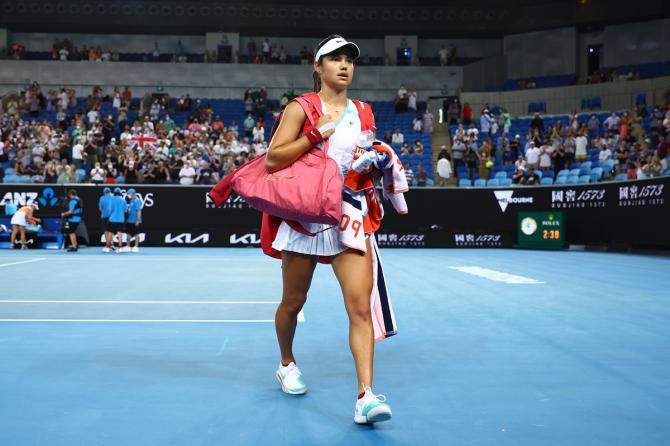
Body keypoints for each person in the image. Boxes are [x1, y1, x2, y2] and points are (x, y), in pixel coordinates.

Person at [262, 35, 393, 425]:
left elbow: (359, 158)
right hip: (305, 214)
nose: (344, 65)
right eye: (334, 59)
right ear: (317, 67)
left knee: (359, 307)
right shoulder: (302, 107)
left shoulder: (364, 111)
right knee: (293, 302)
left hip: (348, 212)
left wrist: (376, 162)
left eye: (349, 60)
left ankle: (365, 396)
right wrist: (316, 133)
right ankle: (286, 363)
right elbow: (273, 159)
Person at [108, 187, 127, 253]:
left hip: (112, 219)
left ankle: (109, 246)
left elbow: (110, 210)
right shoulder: (123, 200)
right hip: (120, 219)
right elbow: (125, 210)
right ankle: (120, 248)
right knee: (120, 234)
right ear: (120, 193)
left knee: (111, 233)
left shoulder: (111, 199)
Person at [124, 188, 143, 253]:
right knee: (128, 233)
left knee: (136, 233)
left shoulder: (137, 201)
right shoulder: (128, 201)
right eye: (128, 194)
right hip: (129, 220)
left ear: (133, 194)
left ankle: (136, 246)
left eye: (129, 194)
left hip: (135, 220)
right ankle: (127, 246)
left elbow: (139, 211)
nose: (128, 195)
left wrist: (137, 220)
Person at [98, 187, 114, 252]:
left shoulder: (102, 198)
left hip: (104, 216)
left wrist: (104, 211)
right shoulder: (113, 197)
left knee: (106, 231)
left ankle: (108, 245)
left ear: (104, 192)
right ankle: (111, 244)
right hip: (112, 217)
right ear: (109, 192)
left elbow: (100, 209)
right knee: (111, 231)